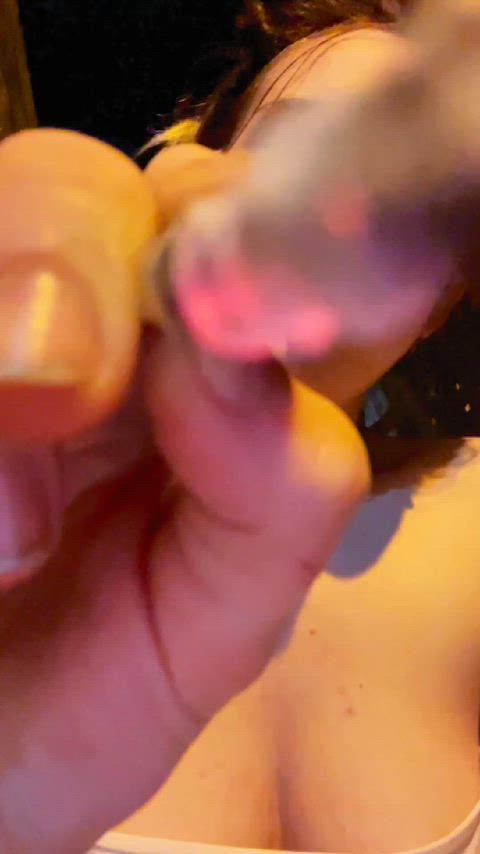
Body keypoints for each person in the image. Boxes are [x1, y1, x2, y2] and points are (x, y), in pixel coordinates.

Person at [0, 2, 478, 853]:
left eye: (407, 202)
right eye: (300, 149)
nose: (345, 215)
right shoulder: (49, 527)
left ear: (438, 303)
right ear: (197, 171)